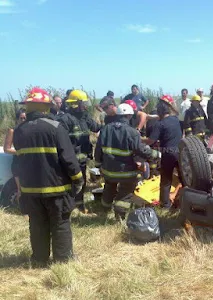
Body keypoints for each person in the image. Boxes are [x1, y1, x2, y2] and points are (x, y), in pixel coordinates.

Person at [12, 87, 84, 266]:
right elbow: (69, 159)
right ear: (46, 107)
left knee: (37, 225)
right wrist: (78, 179)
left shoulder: (20, 130)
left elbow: (19, 161)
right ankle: (63, 259)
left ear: (28, 107)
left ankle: (39, 258)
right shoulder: (56, 128)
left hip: (30, 190)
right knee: (60, 224)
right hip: (56, 189)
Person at [94, 103, 161, 220]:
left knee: (109, 188)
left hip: (109, 171)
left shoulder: (105, 129)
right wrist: (156, 154)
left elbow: (98, 149)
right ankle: (119, 216)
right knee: (125, 193)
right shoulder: (132, 132)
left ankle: (104, 210)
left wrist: (98, 164)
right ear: (129, 116)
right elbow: (141, 149)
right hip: (126, 172)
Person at [58, 90, 102, 213]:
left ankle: (80, 205)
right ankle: (68, 206)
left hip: (82, 158)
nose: (86, 105)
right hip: (70, 159)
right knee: (70, 183)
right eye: (84, 103)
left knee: (81, 183)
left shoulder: (85, 117)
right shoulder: (65, 119)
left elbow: (96, 128)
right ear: (76, 103)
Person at [142, 95, 182, 209]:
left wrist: (139, 139)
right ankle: (182, 201)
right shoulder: (176, 120)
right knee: (183, 179)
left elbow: (150, 141)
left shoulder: (160, 124)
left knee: (166, 180)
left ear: (159, 110)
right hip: (179, 152)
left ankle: (165, 205)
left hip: (168, 154)